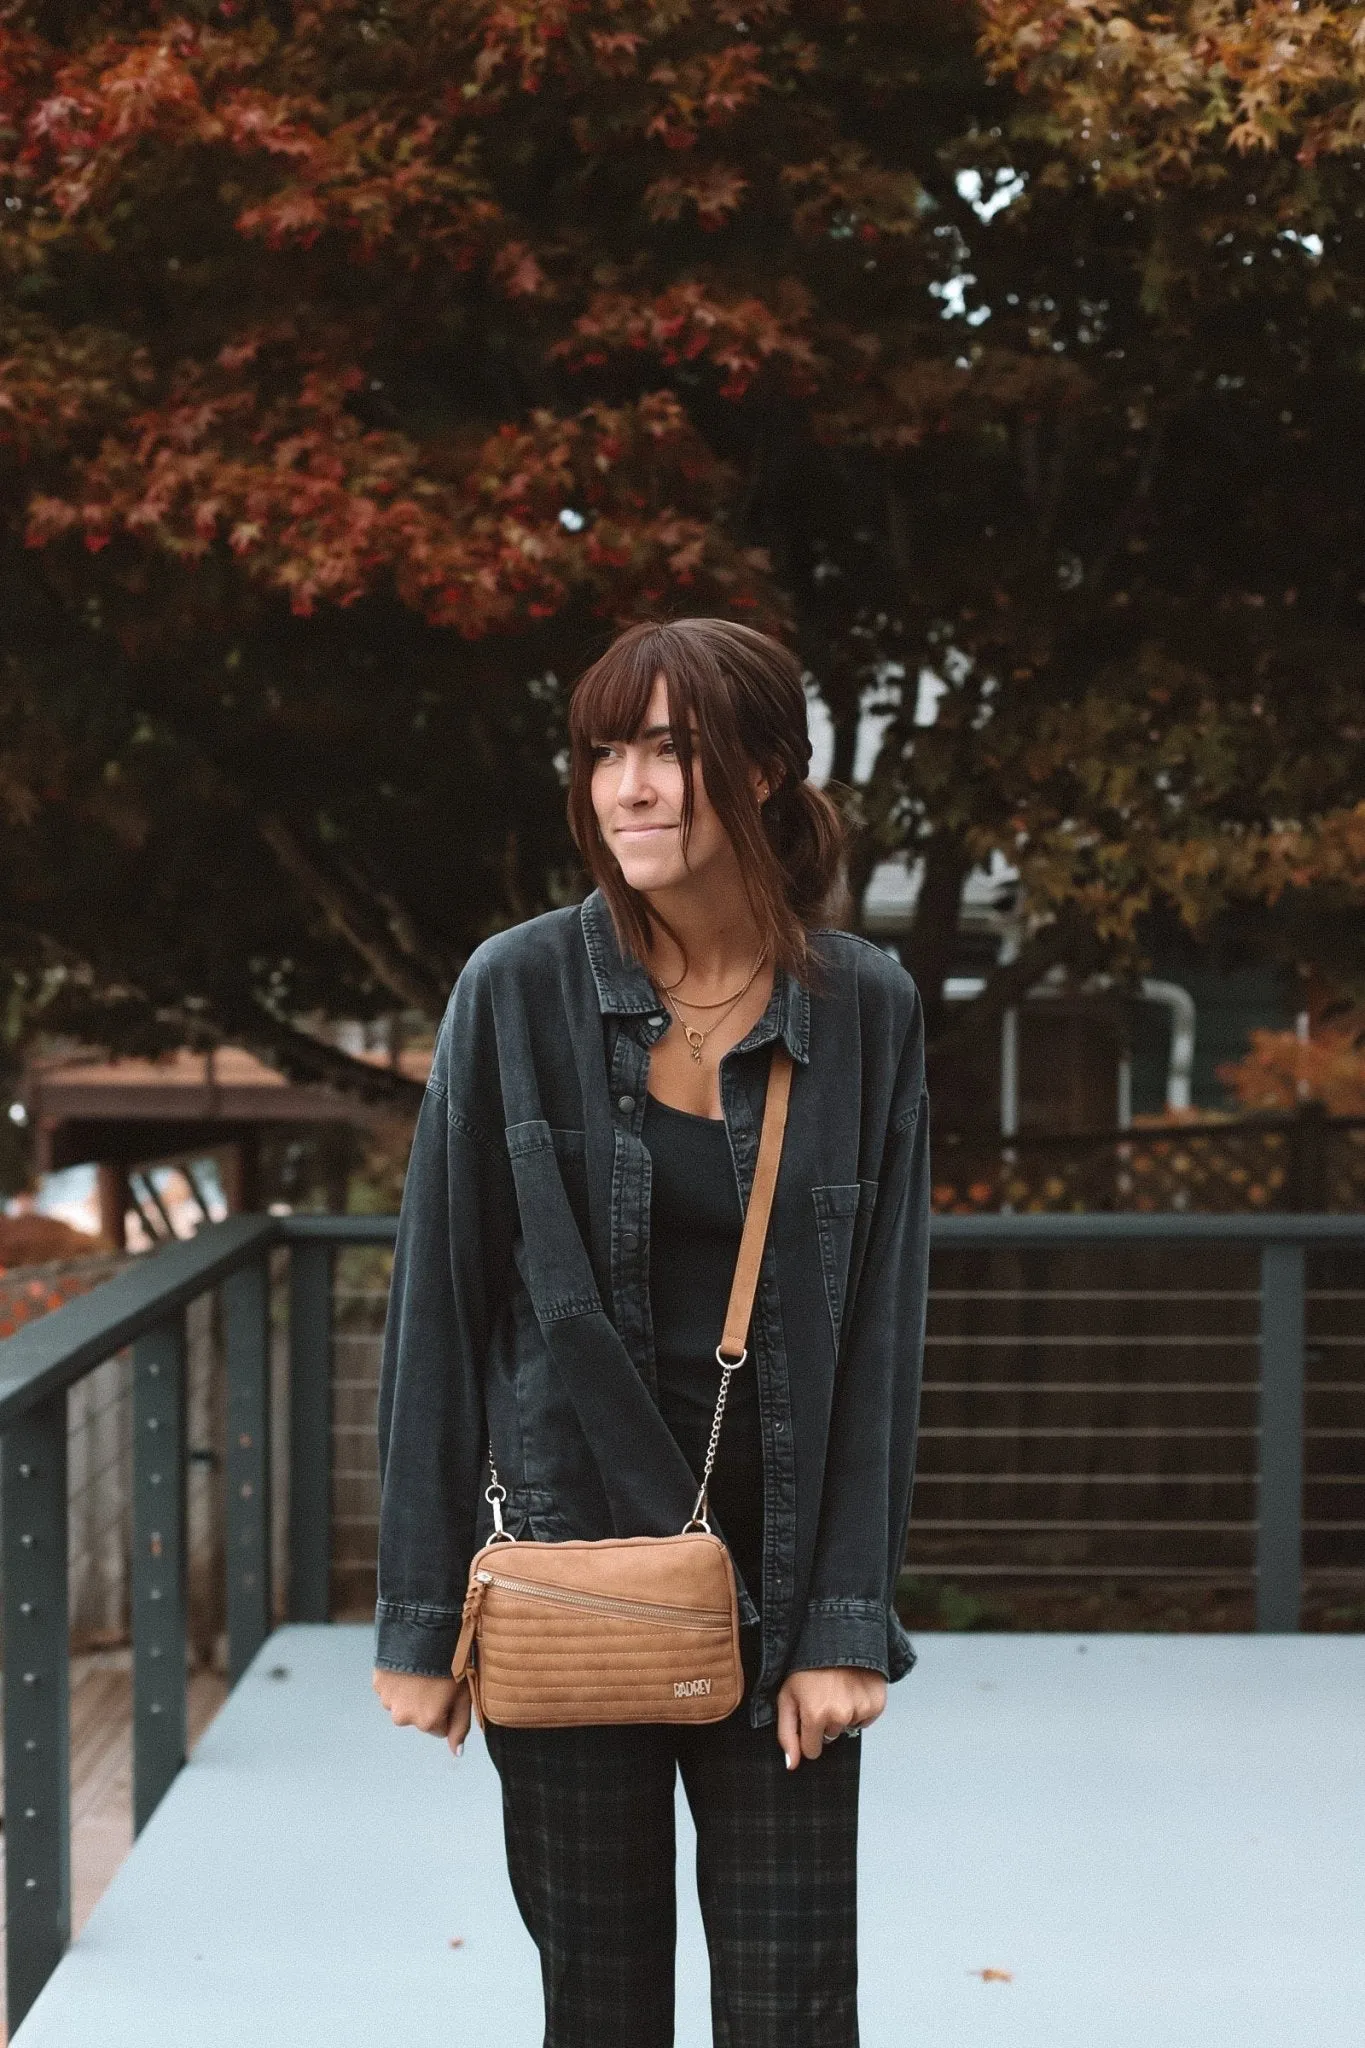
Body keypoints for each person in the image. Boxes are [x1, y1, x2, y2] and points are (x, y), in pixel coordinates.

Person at [372, 617, 931, 2047]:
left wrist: (849, 1620)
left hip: (783, 1579)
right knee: (600, 2006)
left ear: (758, 771)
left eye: (671, 751)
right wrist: (423, 1617)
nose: (631, 787)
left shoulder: (862, 1008)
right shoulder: (516, 990)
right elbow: (439, 1309)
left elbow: (880, 1334)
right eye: (607, 752)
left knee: (794, 2011)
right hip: (567, 1572)